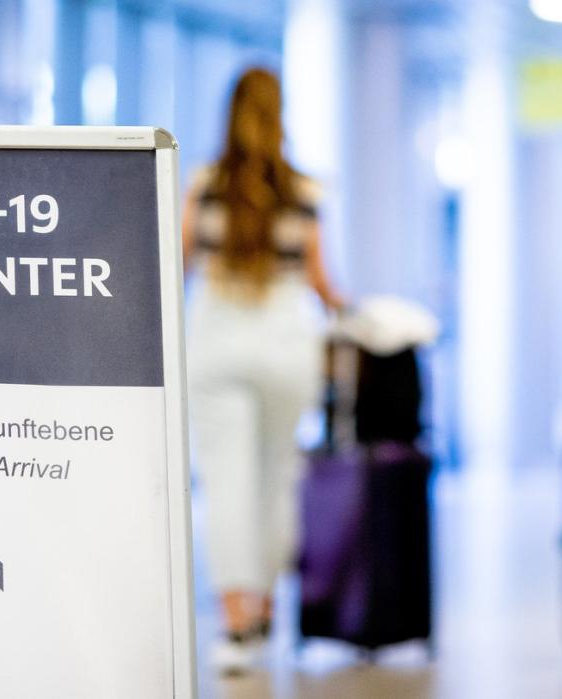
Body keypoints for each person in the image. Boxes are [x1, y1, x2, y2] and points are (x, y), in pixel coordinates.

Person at [181, 67, 345, 675]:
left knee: (226, 483)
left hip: (217, 344)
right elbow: (324, 283)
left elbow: (178, 263)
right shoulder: (304, 191)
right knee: (277, 479)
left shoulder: (205, 184)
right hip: (285, 348)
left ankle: (236, 623)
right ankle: (268, 605)